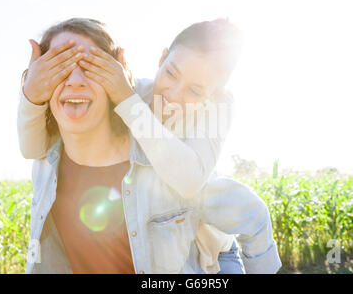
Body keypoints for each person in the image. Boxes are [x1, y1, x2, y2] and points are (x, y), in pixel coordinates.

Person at [19, 18, 281, 273]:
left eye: (195, 91)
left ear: (212, 97)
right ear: (161, 59)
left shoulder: (214, 110)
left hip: (213, 249)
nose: (173, 95)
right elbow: (34, 147)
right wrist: (31, 93)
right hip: (169, 236)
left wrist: (125, 97)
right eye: (170, 73)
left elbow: (192, 181)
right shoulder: (134, 93)